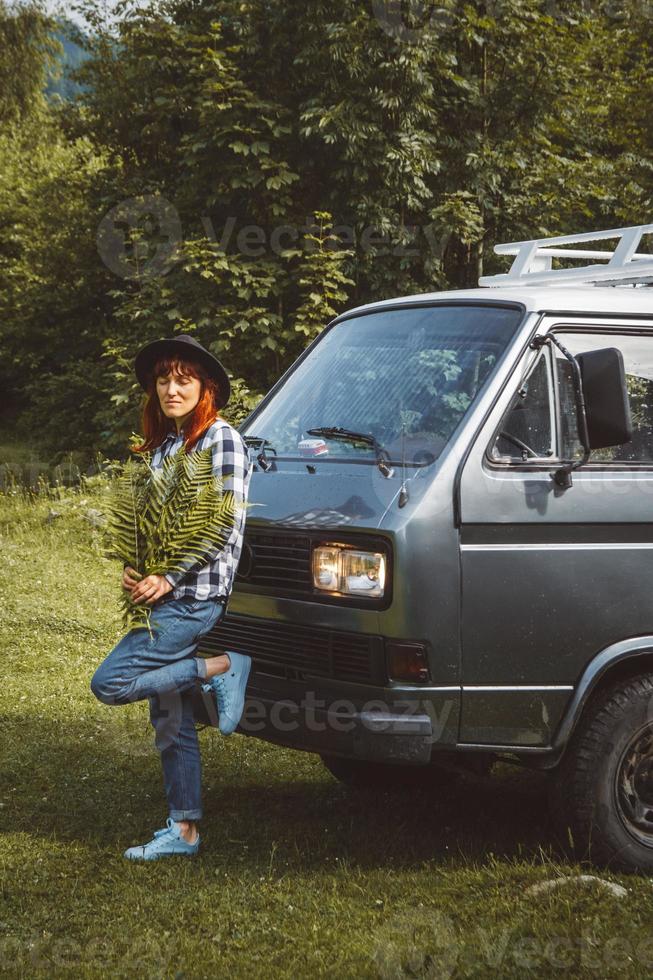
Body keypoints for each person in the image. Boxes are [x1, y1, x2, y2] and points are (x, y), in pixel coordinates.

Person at [90, 334, 254, 860]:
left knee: (111, 684)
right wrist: (139, 565)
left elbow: (220, 524)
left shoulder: (221, 440)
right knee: (172, 719)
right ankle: (184, 831)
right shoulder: (166, 445)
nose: (170, 388)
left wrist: (170, 576)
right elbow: (158, 524)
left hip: (193, 600)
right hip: (165, 598)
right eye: (163, 378)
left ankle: (223, 667)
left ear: (205, 387)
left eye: (183, 378)